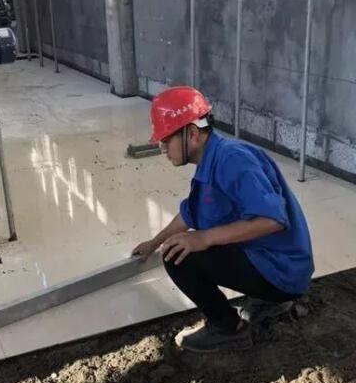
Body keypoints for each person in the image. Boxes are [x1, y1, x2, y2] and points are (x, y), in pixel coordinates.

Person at [132, 86, 314, 353]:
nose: (162, 148)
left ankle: (229, 329)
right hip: (273, 262)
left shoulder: (233, 161)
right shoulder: (213, 160)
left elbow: (273, 220)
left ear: (192, 134)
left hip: (284, 272)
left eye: (166, 140)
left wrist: (204, 238)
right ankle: (269, 300)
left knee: (178, 257)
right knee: (181, 242)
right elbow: (190, 213)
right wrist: (153, 242)